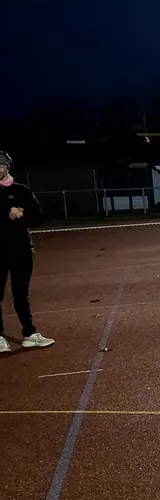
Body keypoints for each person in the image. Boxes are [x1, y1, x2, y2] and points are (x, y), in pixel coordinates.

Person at [0, 150, 51, 353]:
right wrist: (7, 212)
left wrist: (22, 214)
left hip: (21, 251)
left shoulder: (22, 190)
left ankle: (29, 334)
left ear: (7, 166)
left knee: (21, 295)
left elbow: (37, 218)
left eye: (1, 165)